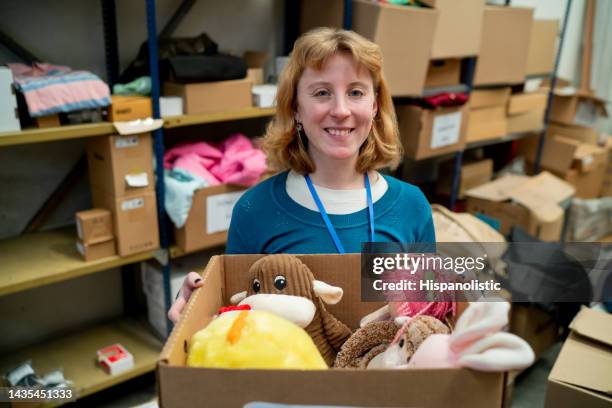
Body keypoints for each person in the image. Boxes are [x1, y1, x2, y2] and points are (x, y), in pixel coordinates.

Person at [168, 27, 435, 323]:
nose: (341, 110)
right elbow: (236, 318)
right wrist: (199, 313)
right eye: (322, 93)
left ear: (374, 105)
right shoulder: (254, 210)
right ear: (296, 107)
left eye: (356, 92)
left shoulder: (412, 206)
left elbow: (429, 312)